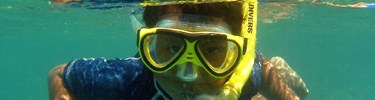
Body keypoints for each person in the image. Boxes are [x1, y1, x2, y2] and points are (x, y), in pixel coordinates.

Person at [48, 0, 309, 99]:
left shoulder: (246, 74)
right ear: (148, 47)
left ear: (235, 54)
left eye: (211, 50)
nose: (189, 74)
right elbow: (59, 74)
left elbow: (261, 71)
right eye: (172, 47)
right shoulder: (130, 79)